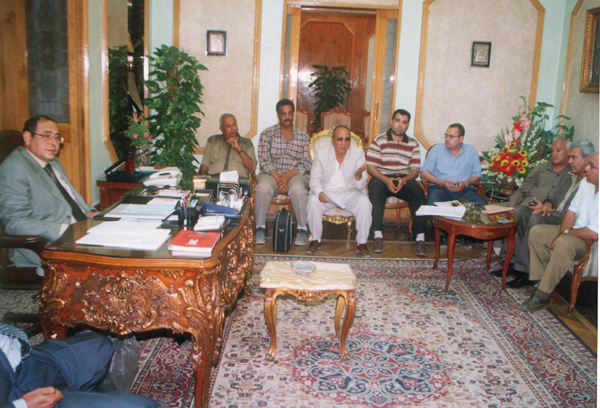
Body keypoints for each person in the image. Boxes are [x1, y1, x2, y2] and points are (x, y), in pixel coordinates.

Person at [0, 116, 97, 275]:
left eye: (57, 137)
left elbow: (68, 198)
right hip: (48, 244)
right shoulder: (13, 168)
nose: (53, 143)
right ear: (27, 137)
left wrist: (89, 212)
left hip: (80, 229)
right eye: (46, 136)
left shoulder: (52, 162)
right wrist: (66, 230)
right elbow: (15, 222)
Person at [496, 139, 594, 288]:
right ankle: (511, 262)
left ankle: (525, 271)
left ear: (587, 160)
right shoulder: (569, 176)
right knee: (520, 211)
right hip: (553, 212)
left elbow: (573, 214)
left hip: (564, 219)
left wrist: (551, 212)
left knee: (535, 218)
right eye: (570, 157)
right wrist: (547, 204)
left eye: (573, 157)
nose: (570, 161)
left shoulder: (588, 182)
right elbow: (552, 197)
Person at [0, 323, 157, 408]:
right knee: (144, 406)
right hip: (17, 394)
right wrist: (22, 405)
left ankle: (78, 395)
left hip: (27, 359)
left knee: (100, 344)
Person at [519, 152, 598, 312]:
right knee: (538, 232)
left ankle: (542, 295)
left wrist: (566, 234)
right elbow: (571, 212)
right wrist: (562, 232)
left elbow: (593, 233)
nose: (587, 168)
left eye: (592, 166)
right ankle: (539, 282)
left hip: (591, 242)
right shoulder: (586, 183)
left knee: (563, 242)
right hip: (575, 232)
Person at [366, 109, 428, 256]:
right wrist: (385, 179)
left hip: (403, 179)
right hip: (382, 178)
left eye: (404, 122)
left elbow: (415, 170)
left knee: (419, 193)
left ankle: (420, 239)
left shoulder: (413, 143)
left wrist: (404, 180)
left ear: (407, 125)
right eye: (398, 120)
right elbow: (371, 167)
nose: (400, 125)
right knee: (375, 189)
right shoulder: (379, 140)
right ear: (392, 122)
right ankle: (377, 237)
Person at [306, 126, 372, 257]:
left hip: (350, 193)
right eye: (339, 139)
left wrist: (358, 176)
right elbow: (314, 179)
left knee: (364, 202)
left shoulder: (358, 153)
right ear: (332, 140)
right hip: (327, 193)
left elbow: (361, 186)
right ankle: (316, 240)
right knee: (313, 201)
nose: (343, 143)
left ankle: (362, 243)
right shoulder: (321, 153)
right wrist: (319, 192)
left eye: (347, 139)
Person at [255, 99, 311, 246]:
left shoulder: (303, 136)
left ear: (293, 114)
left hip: (294, 174)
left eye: (289, 113)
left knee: (298, 190)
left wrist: (287, 176)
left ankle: (302, 229)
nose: (287, 117)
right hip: (271, 174)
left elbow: (306, 163)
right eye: (283, 113)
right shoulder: (267, 134)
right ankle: (259, 228)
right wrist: (278, 178)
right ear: (278, 115)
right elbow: (264, 159)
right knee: (262, 188)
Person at [420, 123, 488, 206]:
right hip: (439, 189)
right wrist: (442, 183)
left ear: (461, 139)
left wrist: (465, 183)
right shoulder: (436, 149)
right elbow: (424, 173)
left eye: (451, 136)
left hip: (465, 190)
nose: (447, 139)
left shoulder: (470, 151)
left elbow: (477, 175)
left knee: (484, 206)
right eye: (446, 135)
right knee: (433, 207)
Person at [198, 113, 257, 178]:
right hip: (215, 179)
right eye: (228, 126)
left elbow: (252, 169)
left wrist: (239, 148)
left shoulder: (246, 142)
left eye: (234, 124)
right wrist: (203, 180)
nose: (232, 128)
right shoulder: (213, 140)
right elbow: (204, 165)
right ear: (221, 128)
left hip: (238, 180)